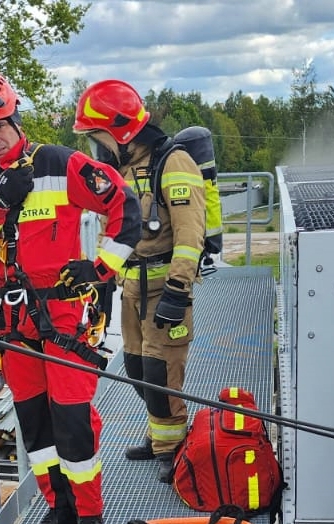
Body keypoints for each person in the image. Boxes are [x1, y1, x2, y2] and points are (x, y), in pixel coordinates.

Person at [0, 71, 139, 524]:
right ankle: (58, 507)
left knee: (72, 417)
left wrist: (102, 268)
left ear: (16, 120)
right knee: (33, 421)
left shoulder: (58, 163)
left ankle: (89, 511)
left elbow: (125, 207)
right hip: (13, 321)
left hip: (64, 315)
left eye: (0, 127)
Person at [73, 80, 207, 484]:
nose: (97, 148)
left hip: (164, 287)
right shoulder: (122, 172)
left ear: (121, 132)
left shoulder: (174, 163)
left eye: (98, 137)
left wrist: (178, 290)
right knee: (135, 368)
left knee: (160, 373)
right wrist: (101, 278)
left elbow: (190, 233)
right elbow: (111, 229)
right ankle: (159, 434)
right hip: (132, 287)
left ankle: (173, 449)